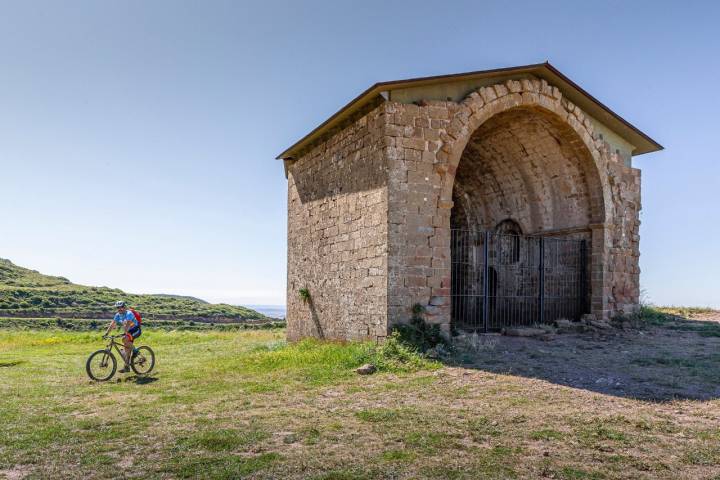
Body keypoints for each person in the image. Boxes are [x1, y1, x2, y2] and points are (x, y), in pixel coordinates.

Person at [104, 301, 142, 373]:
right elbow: (113, 324)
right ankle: (127, 367)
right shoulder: (118, 315)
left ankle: (136, 351)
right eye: (118, 307)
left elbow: (128, 324)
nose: (119, 309)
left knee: (125, 339)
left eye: (121, 307)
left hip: (136, 330)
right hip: (128, 331)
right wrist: (106, 333)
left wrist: (125, 333)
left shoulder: (129, 313)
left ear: (124, 307)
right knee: (126, 348)